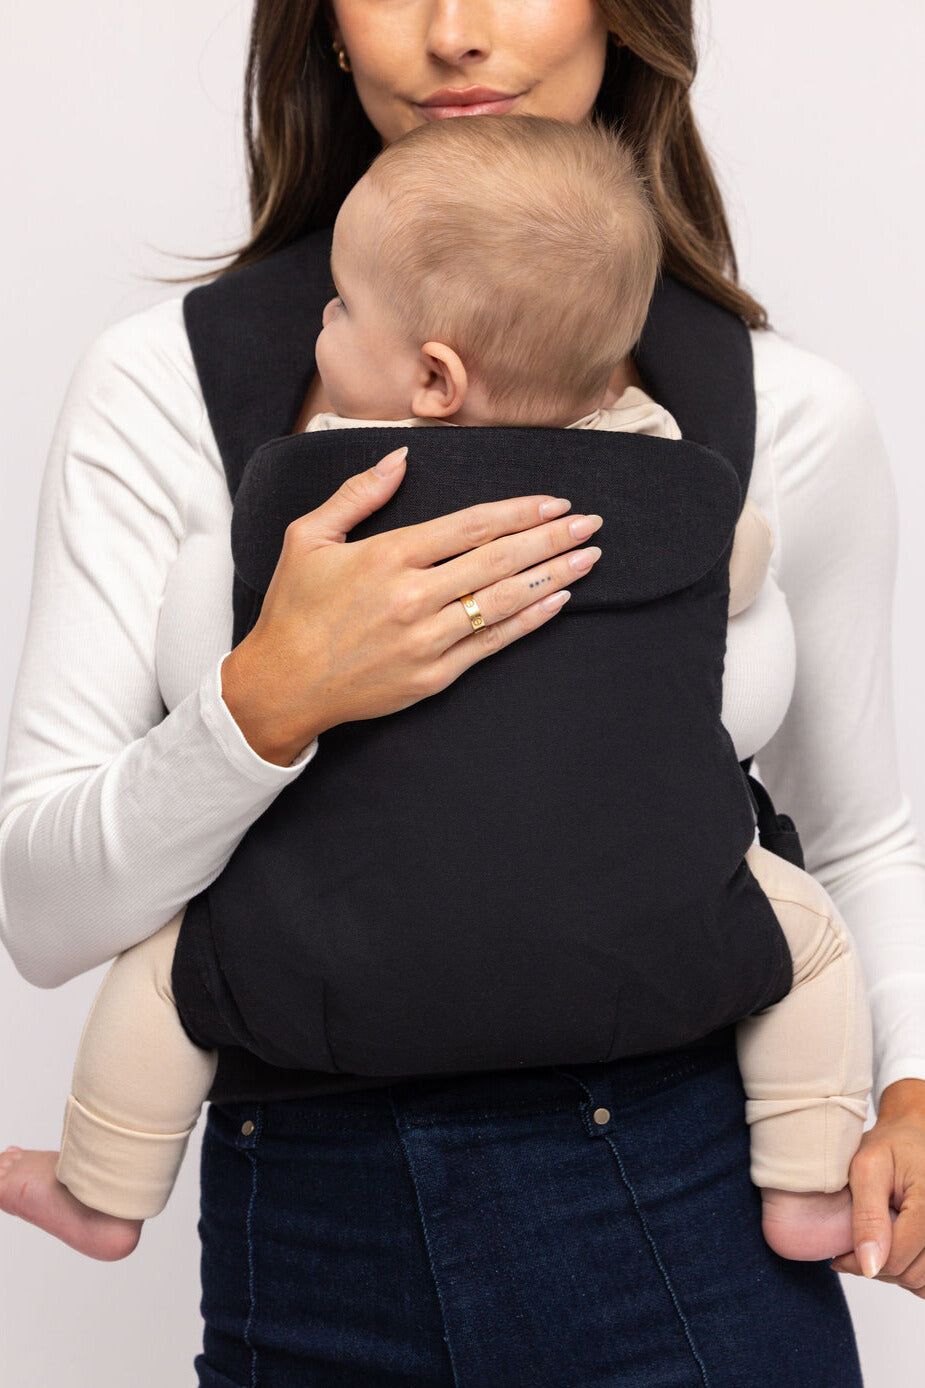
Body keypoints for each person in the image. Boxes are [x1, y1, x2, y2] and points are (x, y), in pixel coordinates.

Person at [2, 3, 925, 1381]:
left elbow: (857, 837)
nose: (455, 31)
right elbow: (41, 911)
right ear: (321, 24)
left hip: (685, 1206)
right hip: (301, 1233)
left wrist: (910, 1089)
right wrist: (266, 704)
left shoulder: (785, 411)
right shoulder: (162, 388)